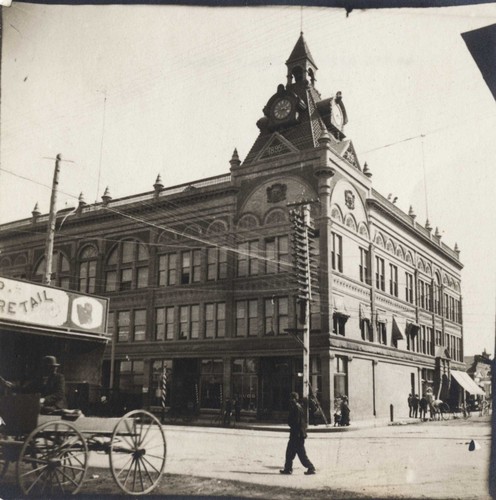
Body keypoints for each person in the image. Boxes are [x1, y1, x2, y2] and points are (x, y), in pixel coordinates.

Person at [0, 355, 67, 415]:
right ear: (45, 368)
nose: (54, 369)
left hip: (56, 405)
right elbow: (26, 389)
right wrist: (12, 386)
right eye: (51, 367)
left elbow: (60, 393)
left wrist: (44, 399)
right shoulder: (39, 379)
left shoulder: (59, 377)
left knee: (36, 408)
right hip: (42, 404)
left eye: (55, 367)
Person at [280, 392, 316, 475]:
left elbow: (295, 422)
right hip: (297, 434)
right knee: (289, 453)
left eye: (292, 398)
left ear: (295, 399)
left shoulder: (296, 408)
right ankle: (288, 468)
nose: (291, 400)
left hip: (297, 435)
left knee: (301, 454)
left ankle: (311, 467)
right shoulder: (298, 407)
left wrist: (289, 422)